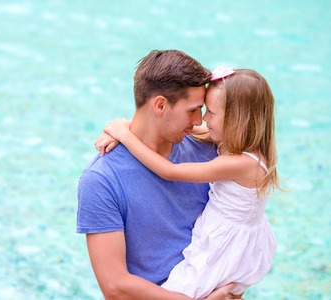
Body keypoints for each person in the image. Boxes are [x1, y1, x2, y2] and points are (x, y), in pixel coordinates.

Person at [101, 67, 281, 298]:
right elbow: (161, 121)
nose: (203, 119)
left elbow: (169, 171)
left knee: (181, 290)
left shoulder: (243, 163)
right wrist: (124, 127)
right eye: (201, 110)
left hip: (225, 246)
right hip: (230, 236)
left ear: (237, 120)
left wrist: (125, 135)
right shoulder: (235, 141)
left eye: (211, 113)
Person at [77, 50, 242, 299]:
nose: (200, 121)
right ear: (161, 105)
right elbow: (115, 287)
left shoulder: (211, 152)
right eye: (193, 110)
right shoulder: (101, 180)